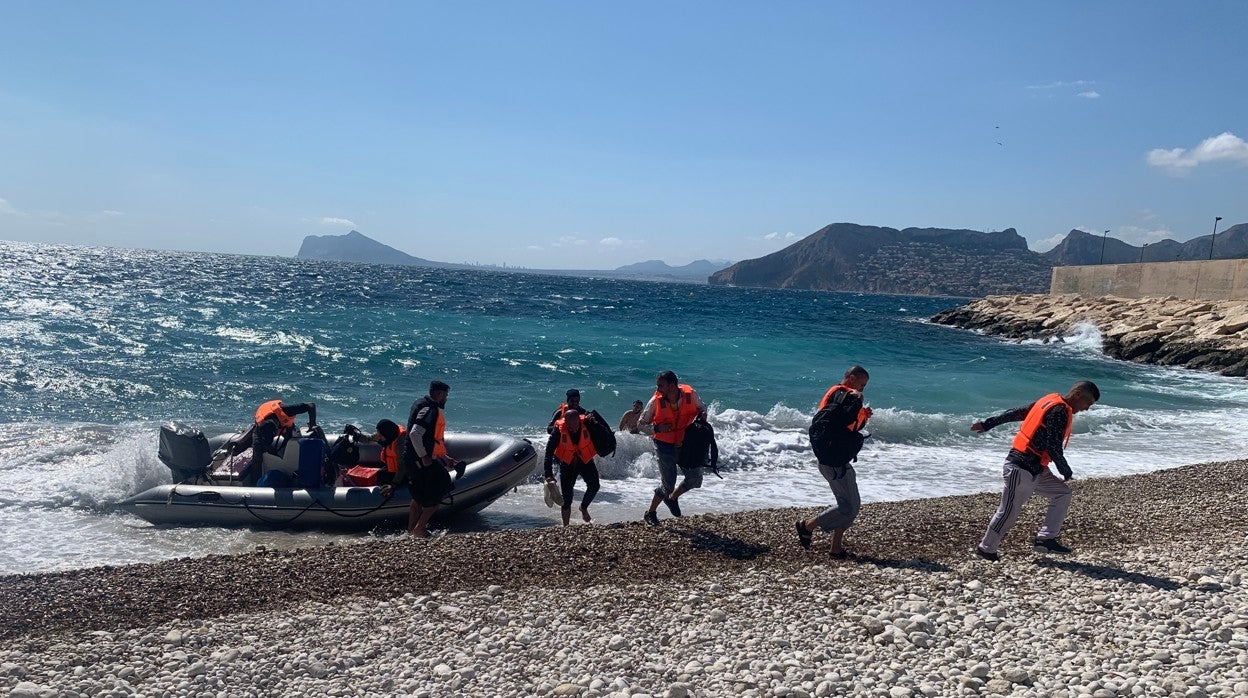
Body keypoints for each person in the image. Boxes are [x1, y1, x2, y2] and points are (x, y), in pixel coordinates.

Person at [971, 380, 1101, 561]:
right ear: (1078, 394)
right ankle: (986, 549)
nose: (1086, 408)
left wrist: (988, 424)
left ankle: (1045, 539)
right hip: (1020, 468)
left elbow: (1017, 413)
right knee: (1008, 510)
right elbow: (1054, 446)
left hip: (1037, 469)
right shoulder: (1059, 410)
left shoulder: (1049, 401)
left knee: (1062, 493)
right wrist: (1066, 471)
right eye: (1088, 403)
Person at [795, 365, 873, 559]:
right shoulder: (844, 395)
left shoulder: (837, 395)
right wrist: (858, 400)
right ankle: (807, 526)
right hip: (833, 460)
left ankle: (836, 548)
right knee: (849, 507)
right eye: (862, 384)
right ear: (852, 378)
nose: (862, 389)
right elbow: (843, 420)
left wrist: (863, 414)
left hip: (832, 457)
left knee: (848, 504)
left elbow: (846, 424)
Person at [395, 381, 463, 538]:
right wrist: (424, 457)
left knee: (418, 497)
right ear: (439, 395)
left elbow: (429, 439)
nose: (446, 399)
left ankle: (411, 531)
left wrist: (444, 457)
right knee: (442, 488)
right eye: (445, 395)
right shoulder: (429, 409)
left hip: (413, 459)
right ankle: (420, 528)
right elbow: (415, 433)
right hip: (419, 460)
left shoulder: (421, 403)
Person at [638, 370, 706, 525]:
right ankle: (651, 513)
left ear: (672, 385)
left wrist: (702, 417)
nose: (658, 388)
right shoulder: (656, 401)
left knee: (695, 478)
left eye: (660, 385)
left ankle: (672, 498)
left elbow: (702, 408)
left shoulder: (690, 394)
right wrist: (657, 429)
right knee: (668, 484)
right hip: (664, 444)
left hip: (686, 443)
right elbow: (641, 424)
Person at [542, 406, 602, 526]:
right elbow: (549, 451)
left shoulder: (587, 423)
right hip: (567, 463)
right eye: (569, 426)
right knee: (567, 499)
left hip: (585, 461)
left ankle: (583, 507)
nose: (573, 429)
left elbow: (602, 434)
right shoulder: (559, 429)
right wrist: (548, 474)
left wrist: (596, 423)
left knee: (594, 486)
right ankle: (566, 526)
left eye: (575, 426)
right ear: (566, 422)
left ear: (579, 421)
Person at [246, 399, 317, 484]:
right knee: (257, 458)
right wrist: (267, 446)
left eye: (273, 433)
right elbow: (265, 440)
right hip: (261, 431)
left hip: (286, 426)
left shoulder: (286, 410)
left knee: (297, 446)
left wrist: (312, 423)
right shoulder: (261, 427)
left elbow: (311, 405)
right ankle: (255, 485)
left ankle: (301, 475)